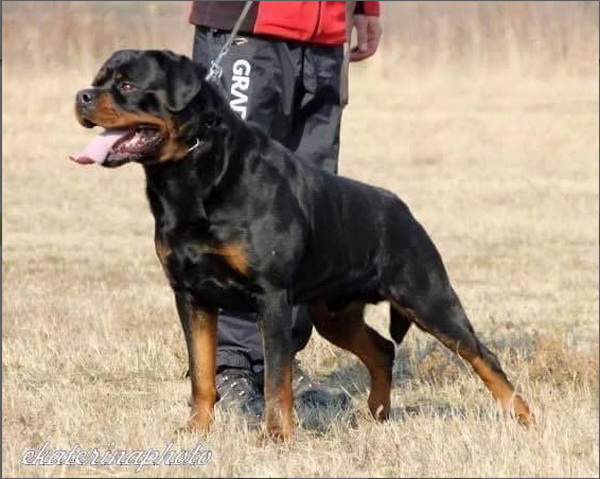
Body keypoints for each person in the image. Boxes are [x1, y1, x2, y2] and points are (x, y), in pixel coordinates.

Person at [188, 0, 382, 415]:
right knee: (236, 193)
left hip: (326, 35)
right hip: (250, 27)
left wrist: (367, 6)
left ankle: (280, 360)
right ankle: (232, 362)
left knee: (307, 204)